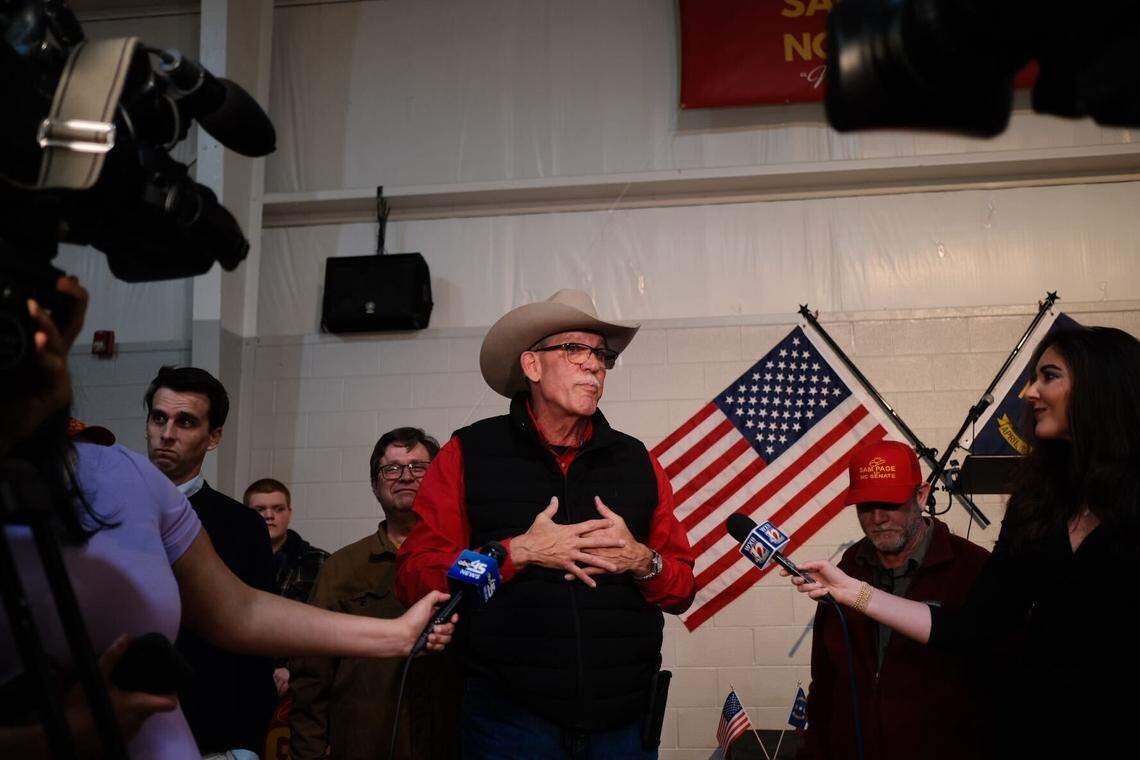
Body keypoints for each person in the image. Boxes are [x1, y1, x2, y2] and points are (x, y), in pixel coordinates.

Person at [0, 276, 455, 759]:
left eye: (47, 326)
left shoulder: (127, 477)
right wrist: (57, 735)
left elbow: (240, 609)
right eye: (159, 418)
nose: (37, 349)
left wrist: (397, 633)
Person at [787, 326, 1140, 757]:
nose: (1029, 392)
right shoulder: (1037, 504)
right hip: (1038, 732)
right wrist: (853, 592)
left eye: (1049, 376)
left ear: (1101, 386)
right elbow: (974, 629)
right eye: (865, 506)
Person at [396, 289, 697, 759]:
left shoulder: (638, 461)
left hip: (623, 723)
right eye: (575, 349)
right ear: (532, 366)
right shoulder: (468, 453)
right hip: (508, 721)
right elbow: (417, 575)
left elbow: (681, 589)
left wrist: (642, 560)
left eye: (602, 354)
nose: (594, 365)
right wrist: (516, 554)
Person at [798, 439, 989, 760]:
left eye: (889, 503)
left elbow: (998, 685)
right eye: (865, 506)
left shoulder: (972, 569)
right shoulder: (846, 570)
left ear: (922, 495)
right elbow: (825, 686)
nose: (877, 518)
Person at [289, 427, 461, 760]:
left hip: (449, 742)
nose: (405, 476)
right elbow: (311, 672)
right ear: (375, 485)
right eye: (392, 468)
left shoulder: (464, 560)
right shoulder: (342, 568)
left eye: (418, 467)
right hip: (364, 743)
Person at [144, 366, 278, 757]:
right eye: (158, 418)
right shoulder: (108, 510)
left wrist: (245, 745)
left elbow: (257, 637)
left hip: (213, 732)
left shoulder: (241, 526)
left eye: (185, 422)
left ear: (214, 436)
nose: (167, 434)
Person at [243, 478, 329, 699]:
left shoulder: (319, 562)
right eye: (260, 509)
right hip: (242, 676)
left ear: (289, 513)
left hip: (301, 682)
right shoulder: (230, 560)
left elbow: (325, 625)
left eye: (278, 509)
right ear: (245, 514)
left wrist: (293, 667)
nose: (269, 515)